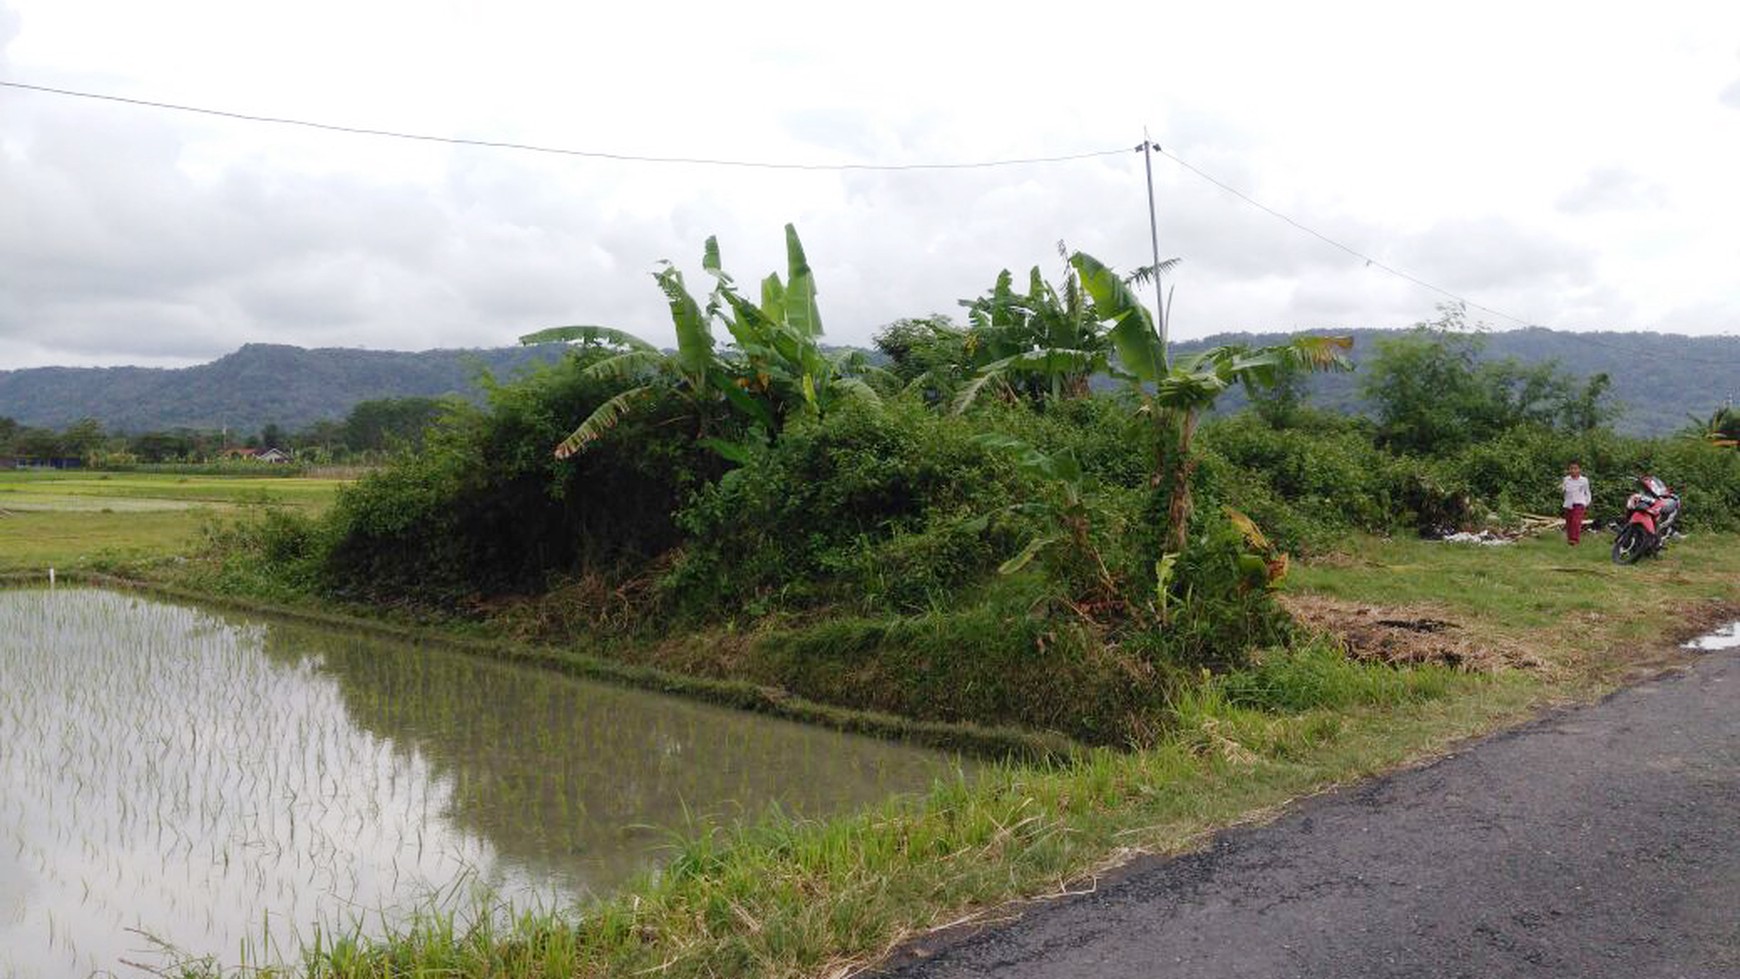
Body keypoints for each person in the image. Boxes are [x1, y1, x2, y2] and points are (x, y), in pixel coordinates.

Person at [1561, 461, 1592, 546]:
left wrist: (1586, 503)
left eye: (1575, 468)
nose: (1573, 470)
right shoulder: (1566, 479)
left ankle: (1575, 539)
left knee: (1576, 521)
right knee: (1569, 522)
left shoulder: (1584, 480)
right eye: (1571, 468)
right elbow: (1564, 490)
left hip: (1579, 503)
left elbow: (1587, 492)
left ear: (1579, 470)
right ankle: (1570, 539)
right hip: (1568, 503)